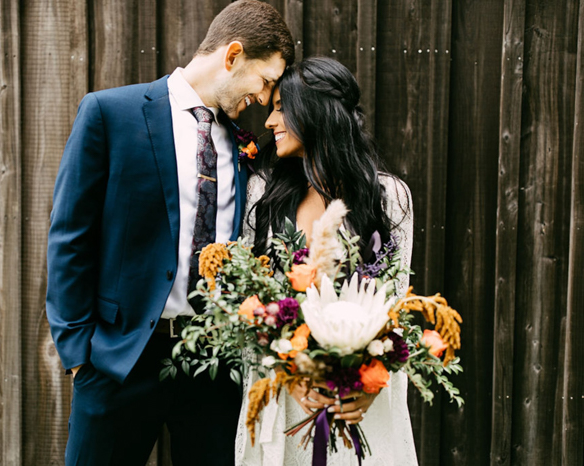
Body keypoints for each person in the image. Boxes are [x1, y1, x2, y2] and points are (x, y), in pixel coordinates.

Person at [46, 2, 294, 465]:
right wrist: (79, 353)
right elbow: (69, 237)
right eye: (264, 81)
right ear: (233, 55)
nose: (264, 99)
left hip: (213, 368)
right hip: (119, 360)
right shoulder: (109, 113)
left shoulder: (245, 144)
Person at [236, 57, 418, 465]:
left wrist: (368, 388)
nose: (269, 121)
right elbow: (251, 304)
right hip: (284, 400)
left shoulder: (389, 198)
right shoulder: (263, 194)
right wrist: (290, 374)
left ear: (316, 112)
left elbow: (396, 309)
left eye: (282, 107)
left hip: (356, 402)